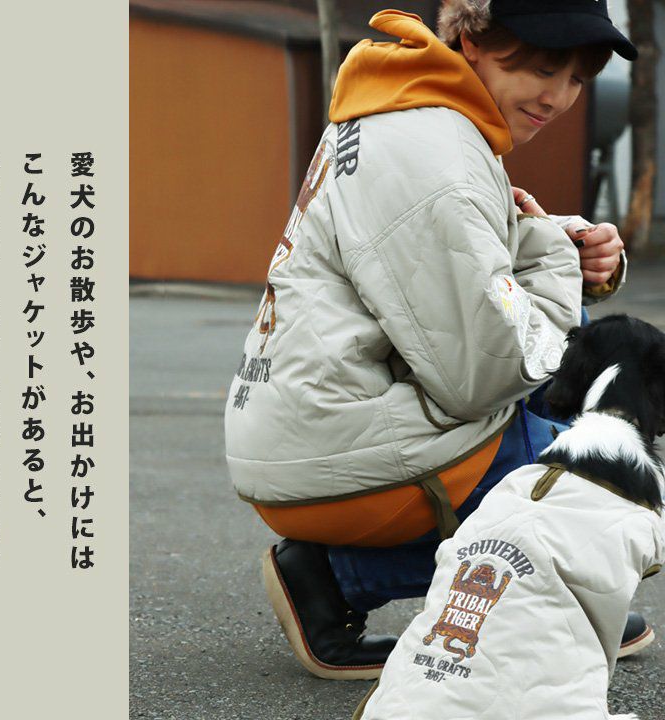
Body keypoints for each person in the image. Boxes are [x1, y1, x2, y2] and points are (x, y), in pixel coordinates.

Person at [224, 0, 648, 680]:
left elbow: (461, 276)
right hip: (338, 447)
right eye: (542, 68)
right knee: (607, 470)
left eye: (576, 78)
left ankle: (345, 575)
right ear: (473, 37)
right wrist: (556, 260)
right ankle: (346, 578)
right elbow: (488, 371)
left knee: (586, 387)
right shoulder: (434, 153)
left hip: (315, 424)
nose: (557, 97)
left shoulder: (417, 115)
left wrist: (561, 244)